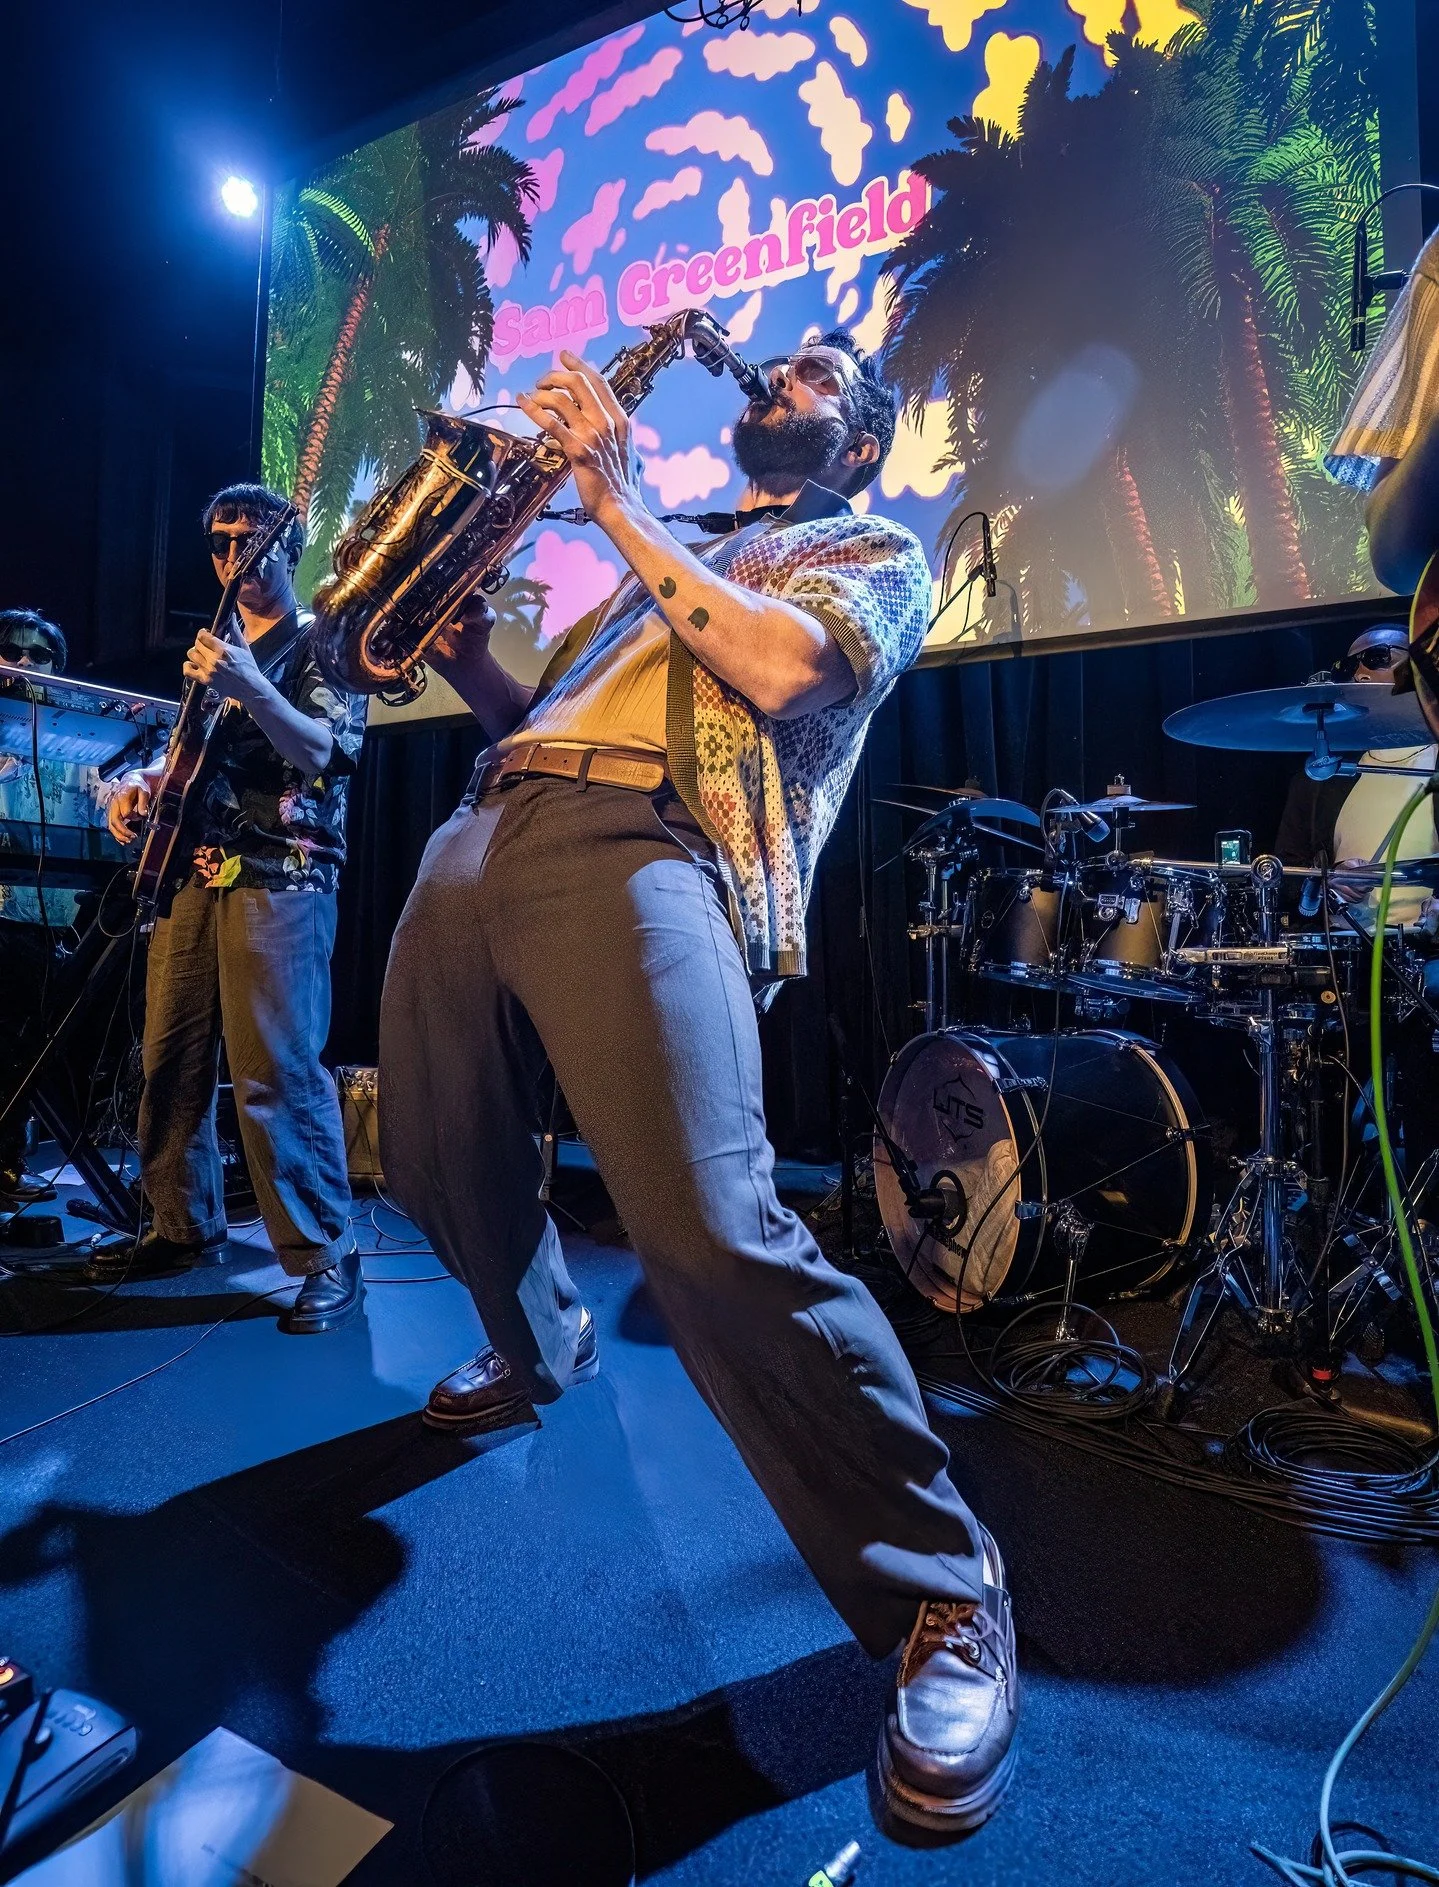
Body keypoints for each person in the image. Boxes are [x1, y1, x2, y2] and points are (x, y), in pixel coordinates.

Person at [379, 329, 1019, 1837]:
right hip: (491, 820)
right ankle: (541, 1346)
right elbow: (541, 718)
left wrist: (610, 498)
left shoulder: (868, 549)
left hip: (651, 844)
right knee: (429, 1159)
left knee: (711, 1230)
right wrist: (466, 657)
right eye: (781, 366)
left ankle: (943, 1590)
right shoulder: (670, 547)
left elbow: (784, 672)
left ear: (855, 443)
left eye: (815, 375)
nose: (776, 377)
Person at [103, 485, 368, 1332]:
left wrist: (250, 684)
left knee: (274, 1072)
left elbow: (324, 751)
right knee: (169, 1060)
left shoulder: (326, 641)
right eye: (221, 544)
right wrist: (137, 784)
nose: (235, 559)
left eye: (251, 542)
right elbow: (183, 753)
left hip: (280, 872)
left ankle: (325, 1252)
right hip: (193, 870)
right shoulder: (213, 647)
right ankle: (181, 1225)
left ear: (289, 547)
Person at [0, 609, 107, 1207]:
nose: (24, 662)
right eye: (11, 651)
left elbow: (108, 814)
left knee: (30, 1041)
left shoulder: (82, 748)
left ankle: (8, 1161)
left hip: (50, 929)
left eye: (38, 655)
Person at [1273, 624, 1437, 910]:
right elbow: (1284, 876)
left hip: (1426, 936)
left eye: (1377, 657)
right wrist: (1327, 881)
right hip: (1346, 935)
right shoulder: (1323, 776)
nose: (1360, 673)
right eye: (1351, 666)